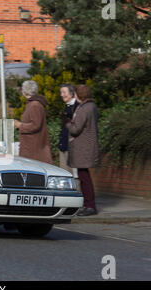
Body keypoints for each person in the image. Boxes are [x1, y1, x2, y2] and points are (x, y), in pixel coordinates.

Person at [64, 85, 100, 216]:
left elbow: (75, 129)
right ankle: (88, 204)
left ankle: (90, 205)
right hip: (87, 146)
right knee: (84, 176)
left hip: (83, 147)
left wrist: (67, 122)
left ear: (78, 95)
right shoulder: (92, 107)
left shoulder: (84, 108)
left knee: (84, 178)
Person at [14, 80, 53, 164]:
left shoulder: (35, 105)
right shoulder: (32, 104)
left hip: (34, 150)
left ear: (24, 91)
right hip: (32, 148)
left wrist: (19, 125)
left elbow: (36, 125)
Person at [58, 84, 80, 185]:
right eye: (61, 92)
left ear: (71, 93)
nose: (61, 95)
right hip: (64, 146)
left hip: (73, 147)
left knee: (75, 177)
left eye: (64, 92)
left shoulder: (77, 107)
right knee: (64, 176)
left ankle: (79, 198)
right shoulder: (67, 107)